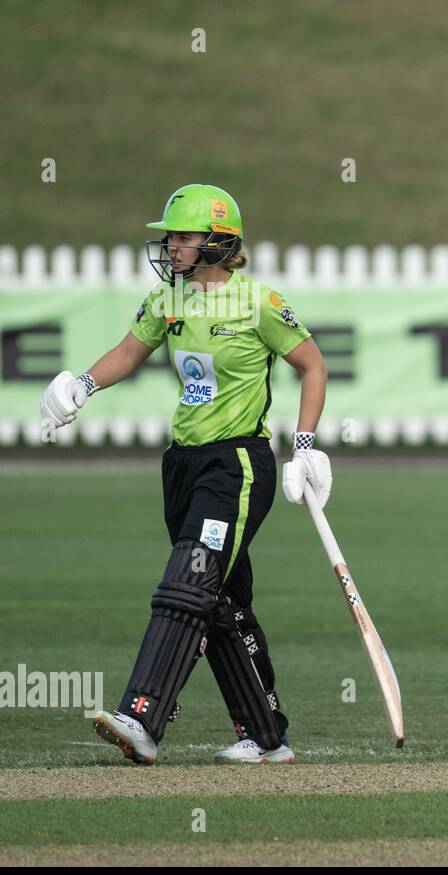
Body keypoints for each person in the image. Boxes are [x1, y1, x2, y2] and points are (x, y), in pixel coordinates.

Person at [39, 183, 332, 765]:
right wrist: (82, 386)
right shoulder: (168, 298)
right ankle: (266, 736)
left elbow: (313, 365)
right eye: (169, 236)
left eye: (183, 236)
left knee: (188, 580)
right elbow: (129, 351)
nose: (171, 246)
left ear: (220, 243)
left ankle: (143, 718)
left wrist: (304, 448)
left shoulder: (258, 304)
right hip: (182, 464)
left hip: (238, 465)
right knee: (220, 600)